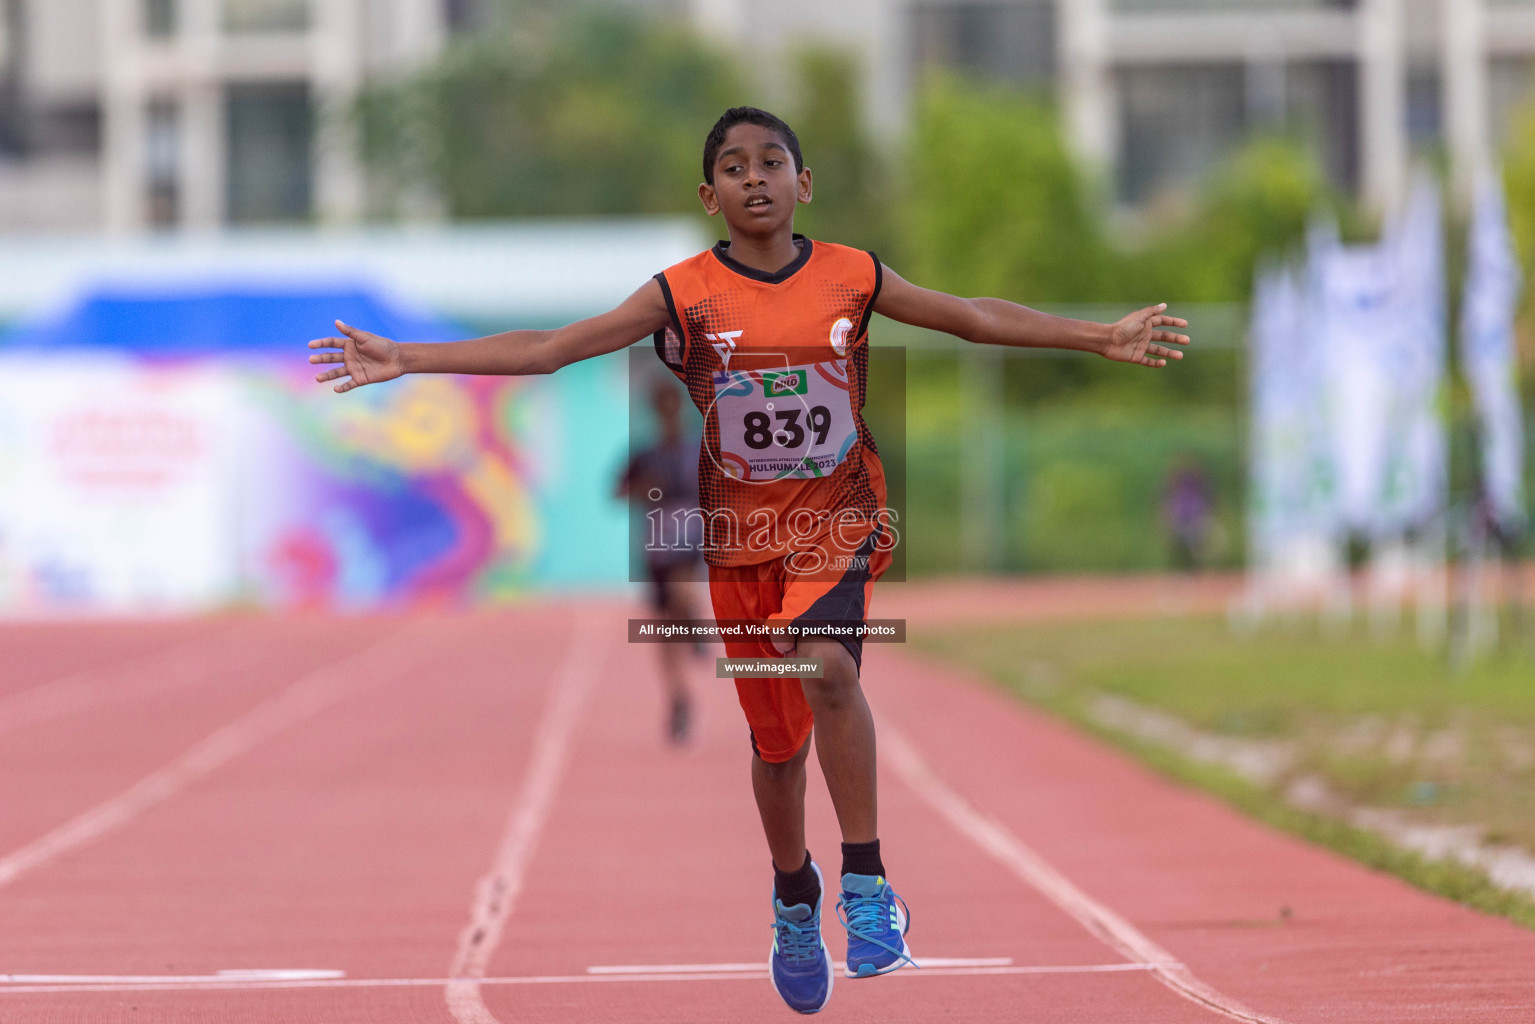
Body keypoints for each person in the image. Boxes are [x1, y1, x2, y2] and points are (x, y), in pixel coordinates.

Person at [308, 105, 1189, 1015]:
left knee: (832, 674)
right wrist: (406, 355)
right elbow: (551, 349)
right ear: (709, 194)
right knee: (777, 748)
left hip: (836, 521)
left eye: (773, 162)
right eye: (734, 166)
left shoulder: (853, 273)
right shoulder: (681, 292)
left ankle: (865, 884)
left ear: (804, 184)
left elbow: (967, 317)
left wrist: (1098, 335)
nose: (755, 177)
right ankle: (794, 897)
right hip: (739, 545)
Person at [614, 379, 705, 745]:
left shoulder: (698, 450)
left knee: (683, 590)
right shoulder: (644, 455)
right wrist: (646, 489)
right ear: (656, 411)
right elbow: (619, 492)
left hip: (692, 535)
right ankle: (679, 698)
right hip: (656, 543)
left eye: (673, 406)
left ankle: (695, 624)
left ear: (679, 408)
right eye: (661, 406)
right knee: (667, 629)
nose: (668, 413)